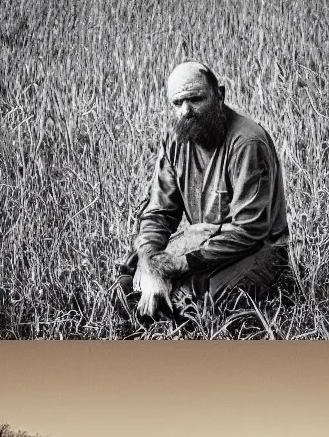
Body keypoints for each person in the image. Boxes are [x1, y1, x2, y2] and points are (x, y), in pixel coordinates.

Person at [117, 62, 290, 324]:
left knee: (189, 305)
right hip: (202, 240)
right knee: (128, 280)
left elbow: (249, 231)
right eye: (178, 103)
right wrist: (151, 261)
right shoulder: (175, 141)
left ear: (219, 95)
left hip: (258, 249)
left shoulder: (247, 143)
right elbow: (159, 212)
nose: (186, 111)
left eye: (195, 99)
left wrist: (180, 264)